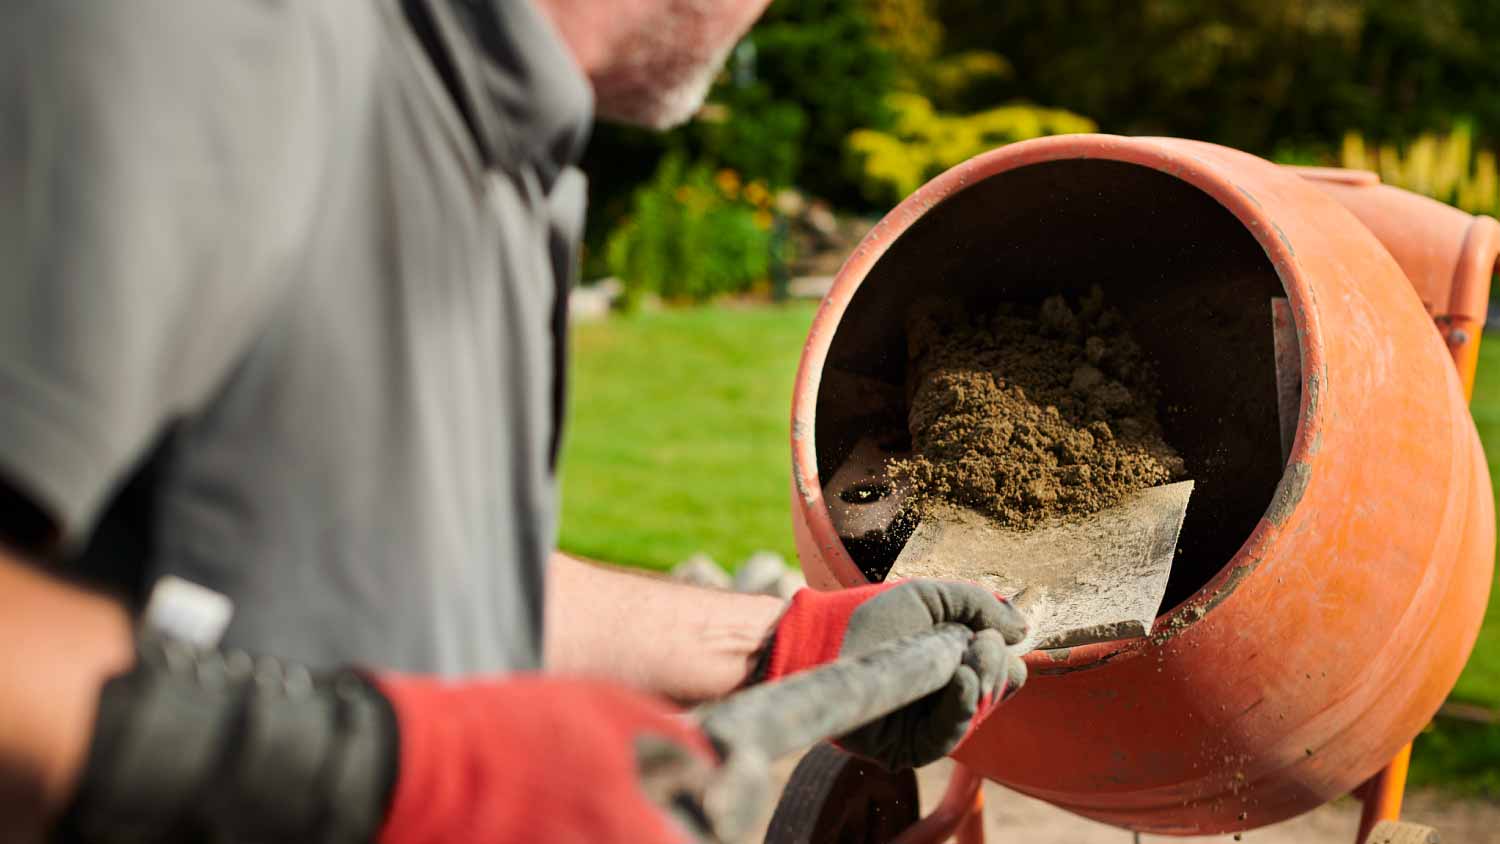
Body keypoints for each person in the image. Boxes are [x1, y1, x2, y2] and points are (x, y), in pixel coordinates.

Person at [0, 1, 1029, 841]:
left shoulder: (494, 140)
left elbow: (373, 577)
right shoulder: (204, 34)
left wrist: (778, 643)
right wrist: (389, 777)